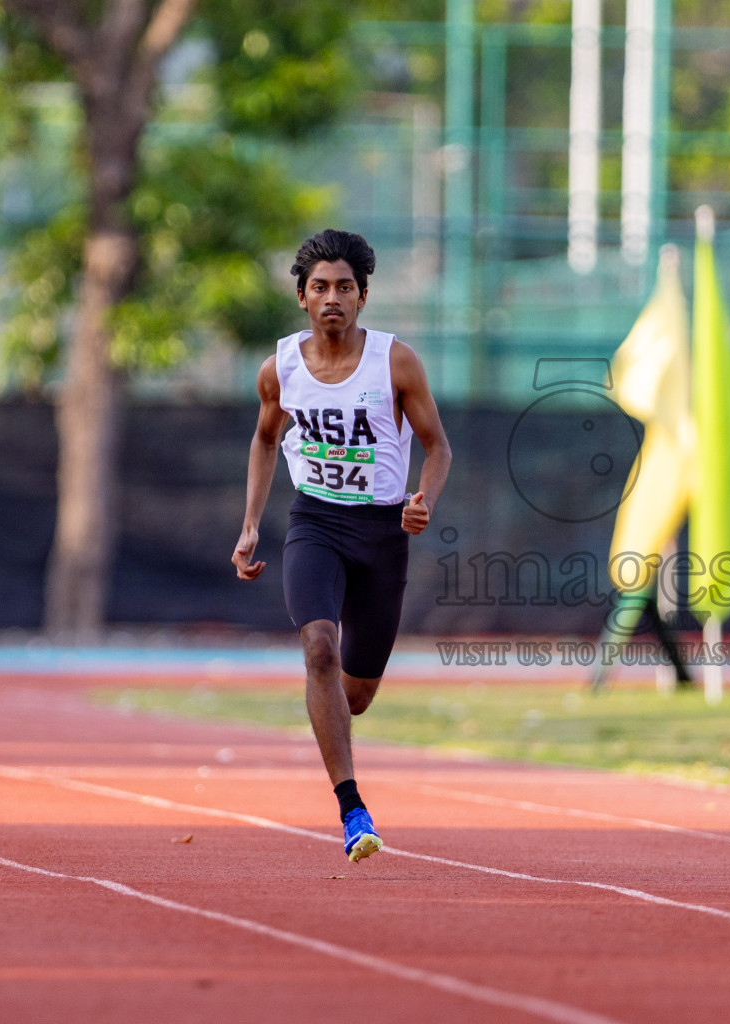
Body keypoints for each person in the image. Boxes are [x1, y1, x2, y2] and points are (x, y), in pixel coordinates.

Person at [232, 229, 451, 861]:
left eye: (345, 288)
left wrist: (423, 502)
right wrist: (250, 523)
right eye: (321, 288)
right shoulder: (280, 369)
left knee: (354, 695)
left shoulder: (396, 362)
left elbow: (437, 445)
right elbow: (266, 439)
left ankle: (333, 724)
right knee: (319, 650)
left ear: (362, 298)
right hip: (316, 525)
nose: (333, 298)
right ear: (302, 297)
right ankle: (353, 811)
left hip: (383, 533)